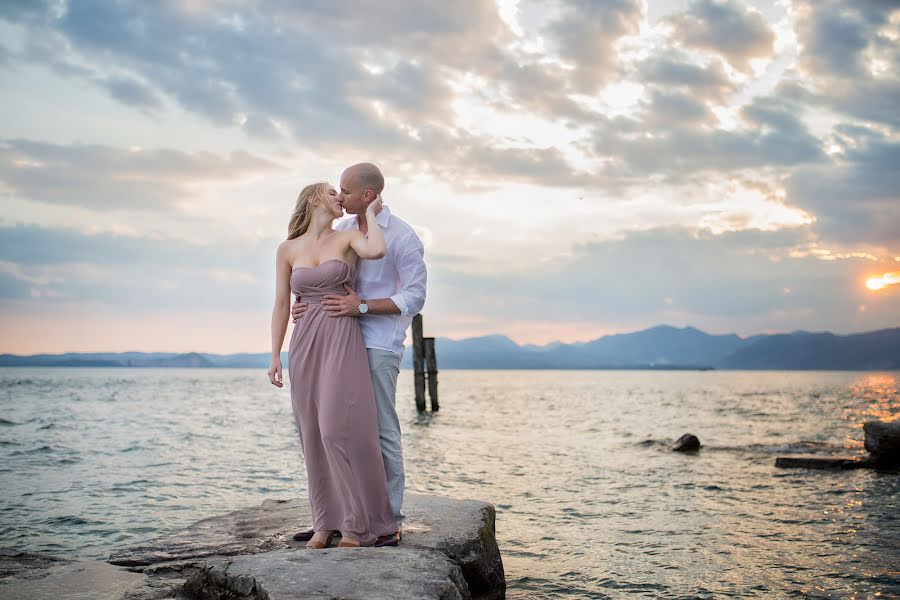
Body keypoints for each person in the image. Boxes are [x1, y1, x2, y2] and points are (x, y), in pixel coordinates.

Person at [291, 163, 427, 547]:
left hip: (378, 343)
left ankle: (390, 521)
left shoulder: (402, 237)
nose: (340, 196)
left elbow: (414, 298)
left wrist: (362, 306)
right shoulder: (344, 230)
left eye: (346, 191)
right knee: (329, 429)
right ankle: (336, 517)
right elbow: (318, 270)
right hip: (334, 339)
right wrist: (302, 303)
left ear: (367, 196)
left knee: (380, 431)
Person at [267, 181, 397, 549]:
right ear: (313, 199)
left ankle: (359, 525)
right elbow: (280, 304)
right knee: (311, 432)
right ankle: (324, 523)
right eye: (332, 192)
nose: (340, 197)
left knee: (335, 430)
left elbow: (377, 249)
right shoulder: (287, 249)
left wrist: (369, 213)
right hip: (305, 342)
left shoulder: (350, 237)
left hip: (341, 335)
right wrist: (275, 354)